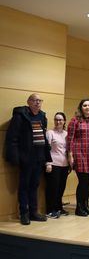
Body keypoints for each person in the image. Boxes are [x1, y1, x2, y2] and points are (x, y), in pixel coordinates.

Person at [5, 93, 52, 225]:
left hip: (39, 158)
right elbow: (13, 137)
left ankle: (34, 212)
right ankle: (24, 213)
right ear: (28, 102)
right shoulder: (20, 116)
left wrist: (47, 157)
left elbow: (43, 135)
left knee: (35, 185)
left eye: (39, 100)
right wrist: (15, 157)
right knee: (24, 186)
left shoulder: (42, 116)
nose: (37, 103)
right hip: (26, 158)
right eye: (34, 100)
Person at [67, 99, 89, 217]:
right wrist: (70, 154)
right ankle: (79, 207)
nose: (87, 107)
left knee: (88, 182)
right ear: (81, 107)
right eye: (85, 105)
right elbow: (70, 139)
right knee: (82, 181)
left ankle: (86, 205)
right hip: (79, 153)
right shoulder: (75, 120)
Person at [45, 112, 70, 219]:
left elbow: (68, 150)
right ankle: (50, 210)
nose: (58, 121)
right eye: (56, 119)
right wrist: (48, 163)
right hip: (53, 164)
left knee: (61, 188)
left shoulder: (67, 134)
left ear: (64, 121)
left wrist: (70, 164)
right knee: (52, 188)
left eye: (60, 120)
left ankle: (59, 207)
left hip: (64, 165)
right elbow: (46, 149)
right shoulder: (50, 133)